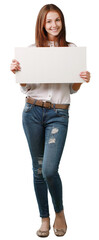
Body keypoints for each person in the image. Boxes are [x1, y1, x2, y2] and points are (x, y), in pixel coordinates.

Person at [10, 4, 90, 237]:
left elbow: (72, 89)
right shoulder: (31, 50)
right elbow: (26, 87)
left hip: (58, 114)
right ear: (42, 25)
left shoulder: (71, 49)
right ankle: (44, 218)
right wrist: (18, 73)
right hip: (32, 112)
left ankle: (60, 211)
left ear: (62, 22)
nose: (53, 25)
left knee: (49, 169)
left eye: (57, 20)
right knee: (37, 170)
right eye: (48, 21)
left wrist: (82, 78)